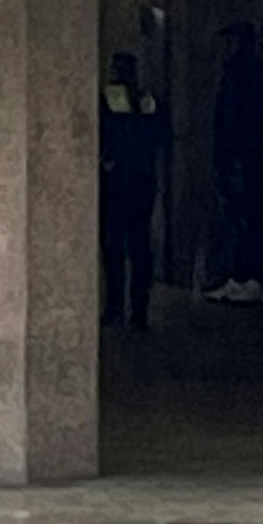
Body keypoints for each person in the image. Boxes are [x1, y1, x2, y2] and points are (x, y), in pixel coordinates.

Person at [205, 23, 263, 305]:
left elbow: (246, 120)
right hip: (239, 157)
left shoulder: (247, 75)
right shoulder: (238, 73)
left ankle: (246, 276)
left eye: (230, 42)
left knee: (245, 215)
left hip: (244, 158)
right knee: (238, 213)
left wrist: (239, 156)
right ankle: (242, 274)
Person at [100, 53, 167, 330]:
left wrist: (106, 161)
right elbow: (162, 135)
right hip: (142, 179)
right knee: (140, 245)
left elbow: (99, 132)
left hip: (116, 180)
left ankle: (115, 307)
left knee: (114, 246)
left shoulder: (107, 96)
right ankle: (139, 312)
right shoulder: (148, 99)